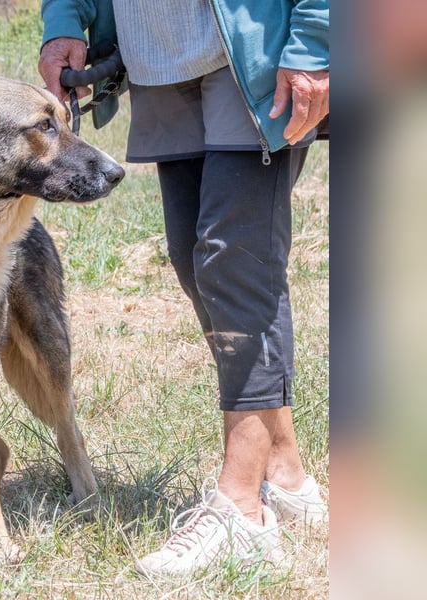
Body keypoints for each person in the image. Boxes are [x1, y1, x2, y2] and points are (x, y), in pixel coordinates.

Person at [38, 0, 329, 576]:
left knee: (234, 259)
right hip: (160, 64)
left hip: (251, 54)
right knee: (198, 263)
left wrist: (317, 42)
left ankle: (241, 508)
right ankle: (286, 474)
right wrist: (66, 21)